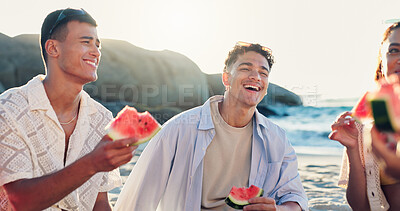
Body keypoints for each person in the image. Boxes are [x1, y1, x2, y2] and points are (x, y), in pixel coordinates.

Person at [115, 41, 308, 211]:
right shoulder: (178, 129)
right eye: (245, 68)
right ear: (226, 79)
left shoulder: (277, 138)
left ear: (265, 86)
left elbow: (296, 198)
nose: (255, 76)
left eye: (263, 73)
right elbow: (140, 195)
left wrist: (278, 210)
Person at [0, 8, 138, 210]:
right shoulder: (10, 110)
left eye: (98, 45)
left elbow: (100, 202)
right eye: (86, 42)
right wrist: (92, 163)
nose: (96, 52)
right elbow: (20, 201)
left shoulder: (102, 118)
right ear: (53, 48)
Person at [329, 22, 400, 210]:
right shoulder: (363, 125)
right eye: (394, 50)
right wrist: (353, 148)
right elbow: (360, 206)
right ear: (381, 60)